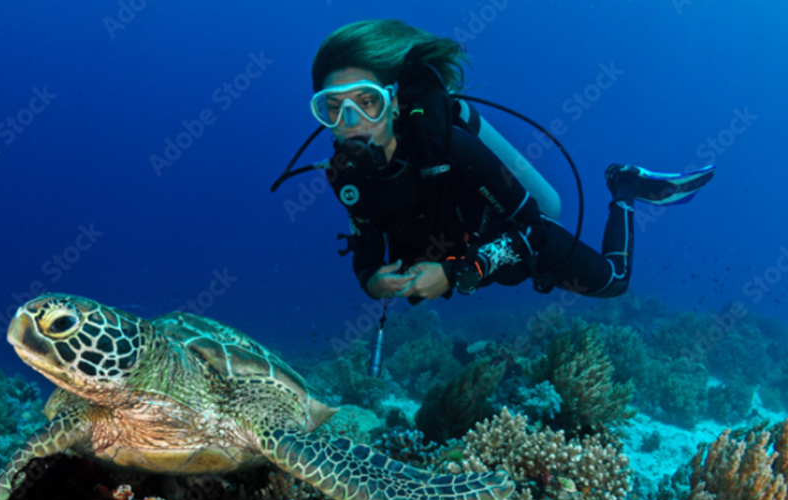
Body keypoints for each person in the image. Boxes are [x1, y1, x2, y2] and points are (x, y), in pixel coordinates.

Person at [305, 19, 715, 302]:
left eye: (367, 102)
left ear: (394, 102)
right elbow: (367, 245)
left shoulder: (449, 149)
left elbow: (533, 229)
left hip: (516, 240)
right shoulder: (344, 175)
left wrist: (457, 273)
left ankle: (625, 186)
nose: (352, 123)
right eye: (333, 108)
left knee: (614, 284)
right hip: (463, 257)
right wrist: (373, 282)